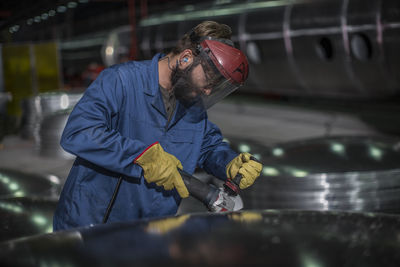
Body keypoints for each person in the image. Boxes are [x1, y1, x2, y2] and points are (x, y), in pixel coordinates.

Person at [53, 21, 262, 230]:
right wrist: (139, 157)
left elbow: (206, 146)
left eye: (215, 86)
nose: (208, 92)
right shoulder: (122, 80)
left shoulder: (191, 105)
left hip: (148, 232)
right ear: (186, 58)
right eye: (210, 79)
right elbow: (80, 131)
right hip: (91, 225)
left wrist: (229, 162)